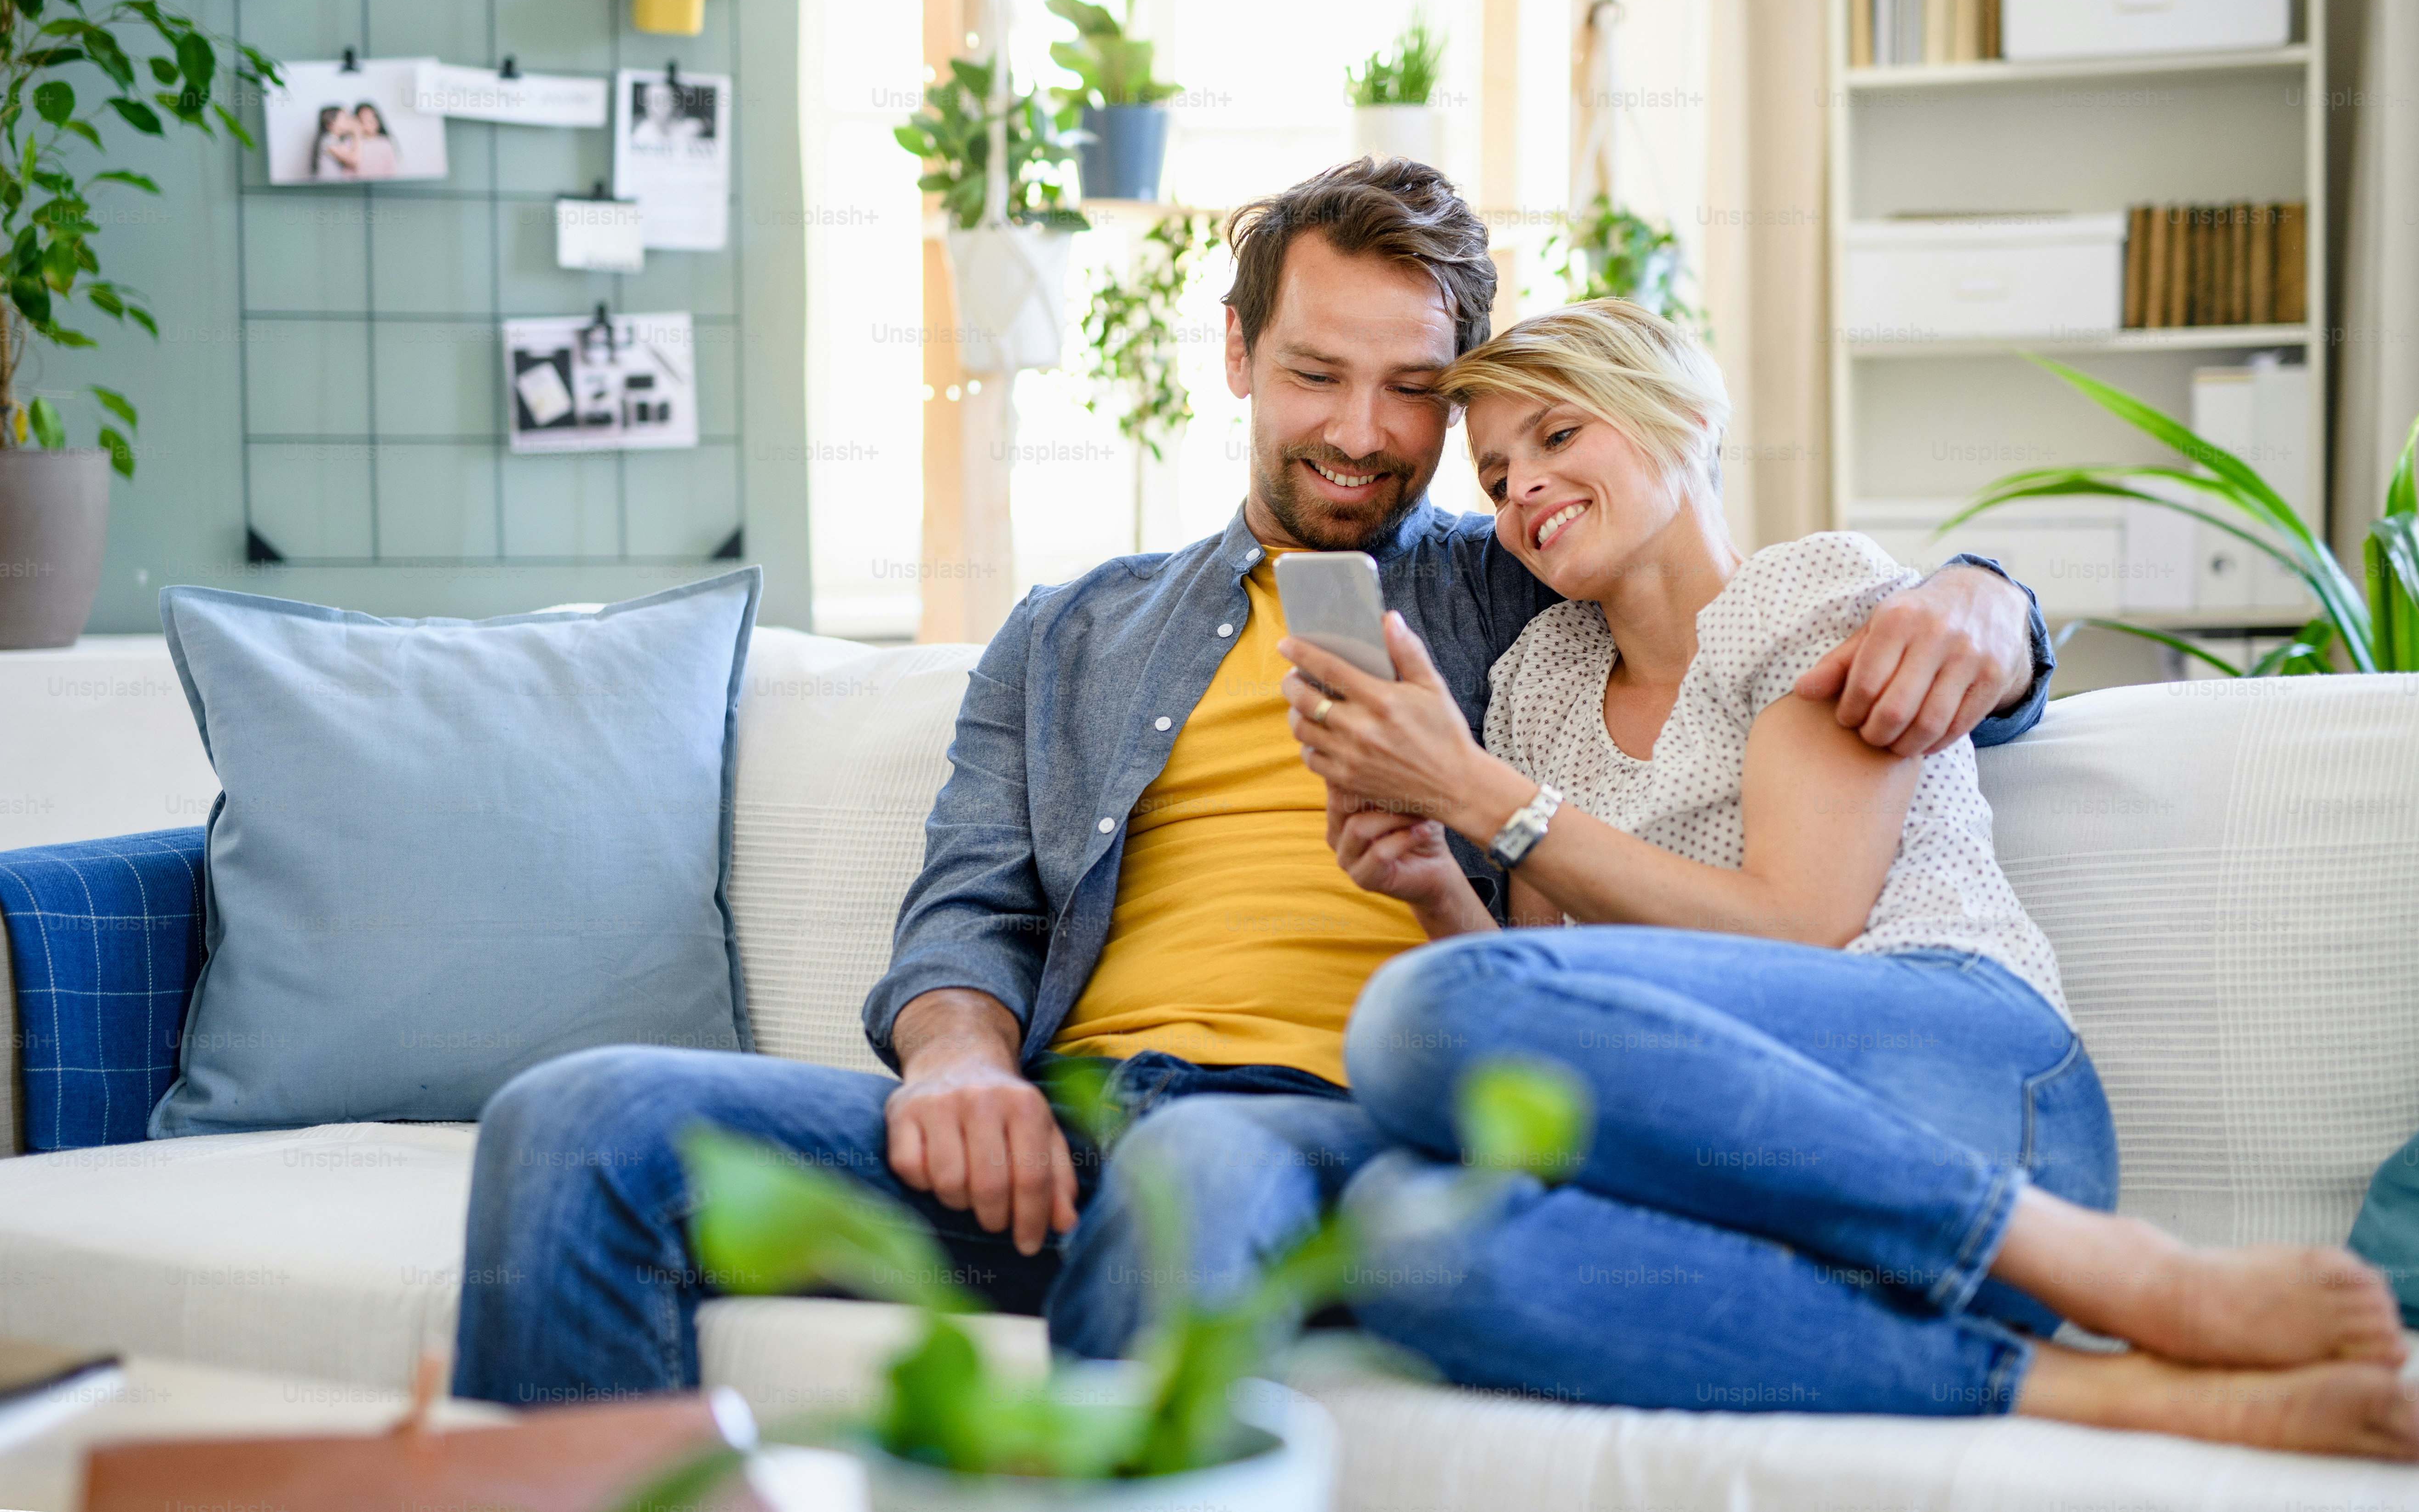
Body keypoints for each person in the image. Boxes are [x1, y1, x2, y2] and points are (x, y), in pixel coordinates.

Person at [450, 158, 2051, 1403]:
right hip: (1064, 1120)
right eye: (1314, 374)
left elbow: (1754, 624)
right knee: (582, 1117)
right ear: (1235, 352)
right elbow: (964, 912)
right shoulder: (1073, 631)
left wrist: (1991, 600)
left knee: (1195, 1172)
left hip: (1330, 1130)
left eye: (1415, 395)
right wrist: (954, 1063)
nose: (1361, 435)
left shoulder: (1517, 587)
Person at [1275, 299, 2419, 1461]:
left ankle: (2113, 1266)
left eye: (1560, 437)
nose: (1522, 487)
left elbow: (1801, 921)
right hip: (1773, 1185)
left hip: (1966, 1081)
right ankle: (2114, 1392)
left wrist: (1475, 792)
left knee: (1414, 1018)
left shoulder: (1814, 594)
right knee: (1404, 1234)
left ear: (1680, 417)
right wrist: (1435, 876)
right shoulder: (1538, 682)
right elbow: (1551, 994)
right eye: (1494, 474)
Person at [349, 103, 398, 178]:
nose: (370, 123)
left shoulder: (385, 143)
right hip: (357, 187)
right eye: (364, 120)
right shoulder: (351, 143)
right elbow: (348, 172)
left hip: (380, 187)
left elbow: (391, 171)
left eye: (372, 119)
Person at [309, 105, 356, 180]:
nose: (349, 122)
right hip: (328, 187)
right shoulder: (328, 141)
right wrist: (357, 134)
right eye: (345, 119)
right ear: (331, 124)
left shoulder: (336, 141)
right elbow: (353, 161)